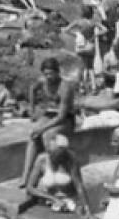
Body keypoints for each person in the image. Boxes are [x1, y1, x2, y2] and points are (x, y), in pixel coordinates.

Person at [21, 56, 78, 194]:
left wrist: (43, 128)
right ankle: (25, 174)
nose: (48, 77)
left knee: (48, 135)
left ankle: (51, 170)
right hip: (49, 115)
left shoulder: (65, 87)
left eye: (51, 73)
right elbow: (32, 89)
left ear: (58, 72)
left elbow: (62, 116)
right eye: (46, 74)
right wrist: (32, 109)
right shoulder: (42, 81)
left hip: (66, 119)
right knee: (33, 135)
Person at [22, 133, 87, 214]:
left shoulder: (71, 159)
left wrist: (86, 208)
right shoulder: (42, 160)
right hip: (51, 201)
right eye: (54, 154)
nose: (56, 157)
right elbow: (30, 187)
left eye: (60, 154)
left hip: (71, 201)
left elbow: (79, 185)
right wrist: (53, 199)